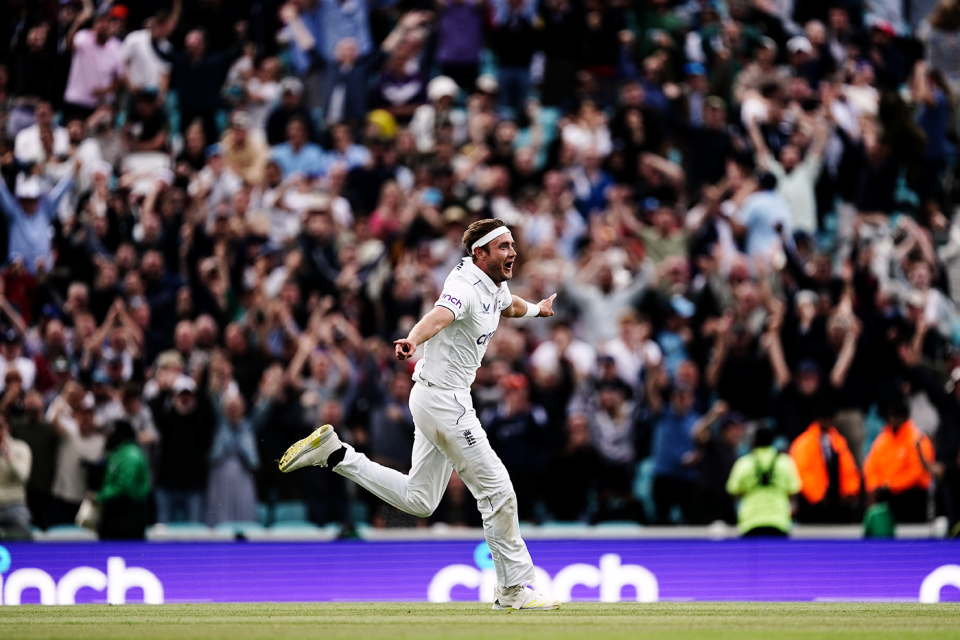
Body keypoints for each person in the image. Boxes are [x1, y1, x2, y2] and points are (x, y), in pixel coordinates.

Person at [278, 218, 561, 610]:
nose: (513, 252)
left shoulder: (494, 283)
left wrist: (537, 311)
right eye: (503, 247)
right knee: (497, 490)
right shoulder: (462, 285)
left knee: (421, 499)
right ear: (480, 254)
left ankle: (335, 454)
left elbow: (507, 304)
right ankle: (512, 591)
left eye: (512, 245)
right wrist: (412, 338)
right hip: (445, 401)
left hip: (435, 398)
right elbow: (440, 315)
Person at [863, 397, 936, 523]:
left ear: (905, 416)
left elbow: (918, 472)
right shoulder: (882, 440)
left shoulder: (917, 439)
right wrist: (875, 487)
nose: (893, 419)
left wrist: (890, 484)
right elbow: (871, 467)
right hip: (887, 497)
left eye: (896, 415)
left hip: (912, 496)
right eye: (890, 415)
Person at [788, 400, 861, 523]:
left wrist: (849, 491)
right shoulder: (804, 443)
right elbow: (803, 472)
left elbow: (849, 468)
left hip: (837, 503)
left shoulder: (838, 441)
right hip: (813, 506)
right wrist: (819, 496)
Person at [726, 427, 802, 537]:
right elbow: (794, 490)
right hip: (779, 521)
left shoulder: (744, 463)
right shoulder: (785, 462)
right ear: (772, 442)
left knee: (752, 554)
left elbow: (733, 491)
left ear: (754, 442)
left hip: (750, 522)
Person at [97, 420, 150, 539]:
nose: (107, 435)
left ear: (121, 434)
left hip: (127, 514)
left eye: (111, 432)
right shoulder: (119, 452)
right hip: (119, 512)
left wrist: (101, 496)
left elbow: (125, 487)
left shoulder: (130, 455)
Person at [0, 414, 32, 539]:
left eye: (1, 426)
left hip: (14, 503)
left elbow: (23, 476)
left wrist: (8, 455)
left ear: (8, 427)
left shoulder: (21, 448)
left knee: (21, 525)